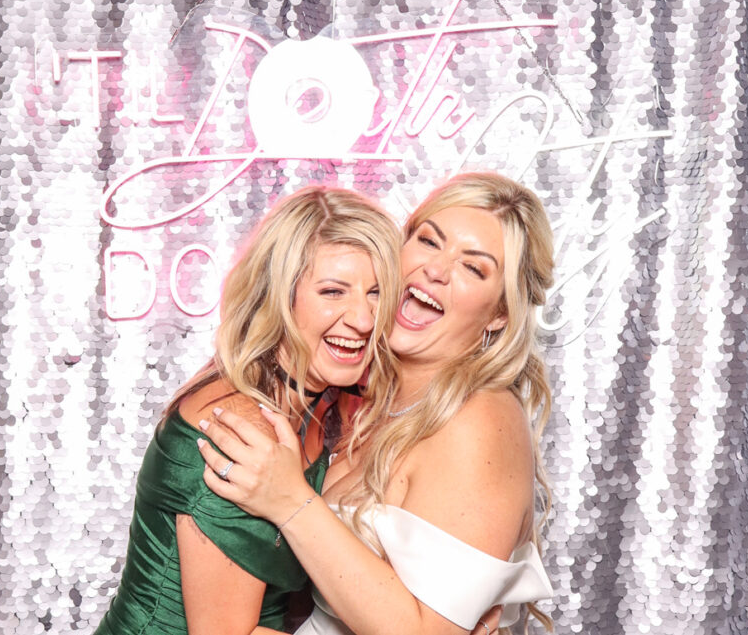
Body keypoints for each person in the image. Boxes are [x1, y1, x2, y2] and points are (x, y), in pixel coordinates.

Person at [198, 172, 556, 635]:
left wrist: (290, 501)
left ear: (500, 313)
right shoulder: (361, 393)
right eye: (428, 241)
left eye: (474, 268)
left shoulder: (479, 420)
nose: (437, 270)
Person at [93, 186, 402, 635]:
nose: (363, 319)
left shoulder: (310, 402)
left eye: (377, 292)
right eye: (333, 292)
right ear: (278, 297)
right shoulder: (243, 431)